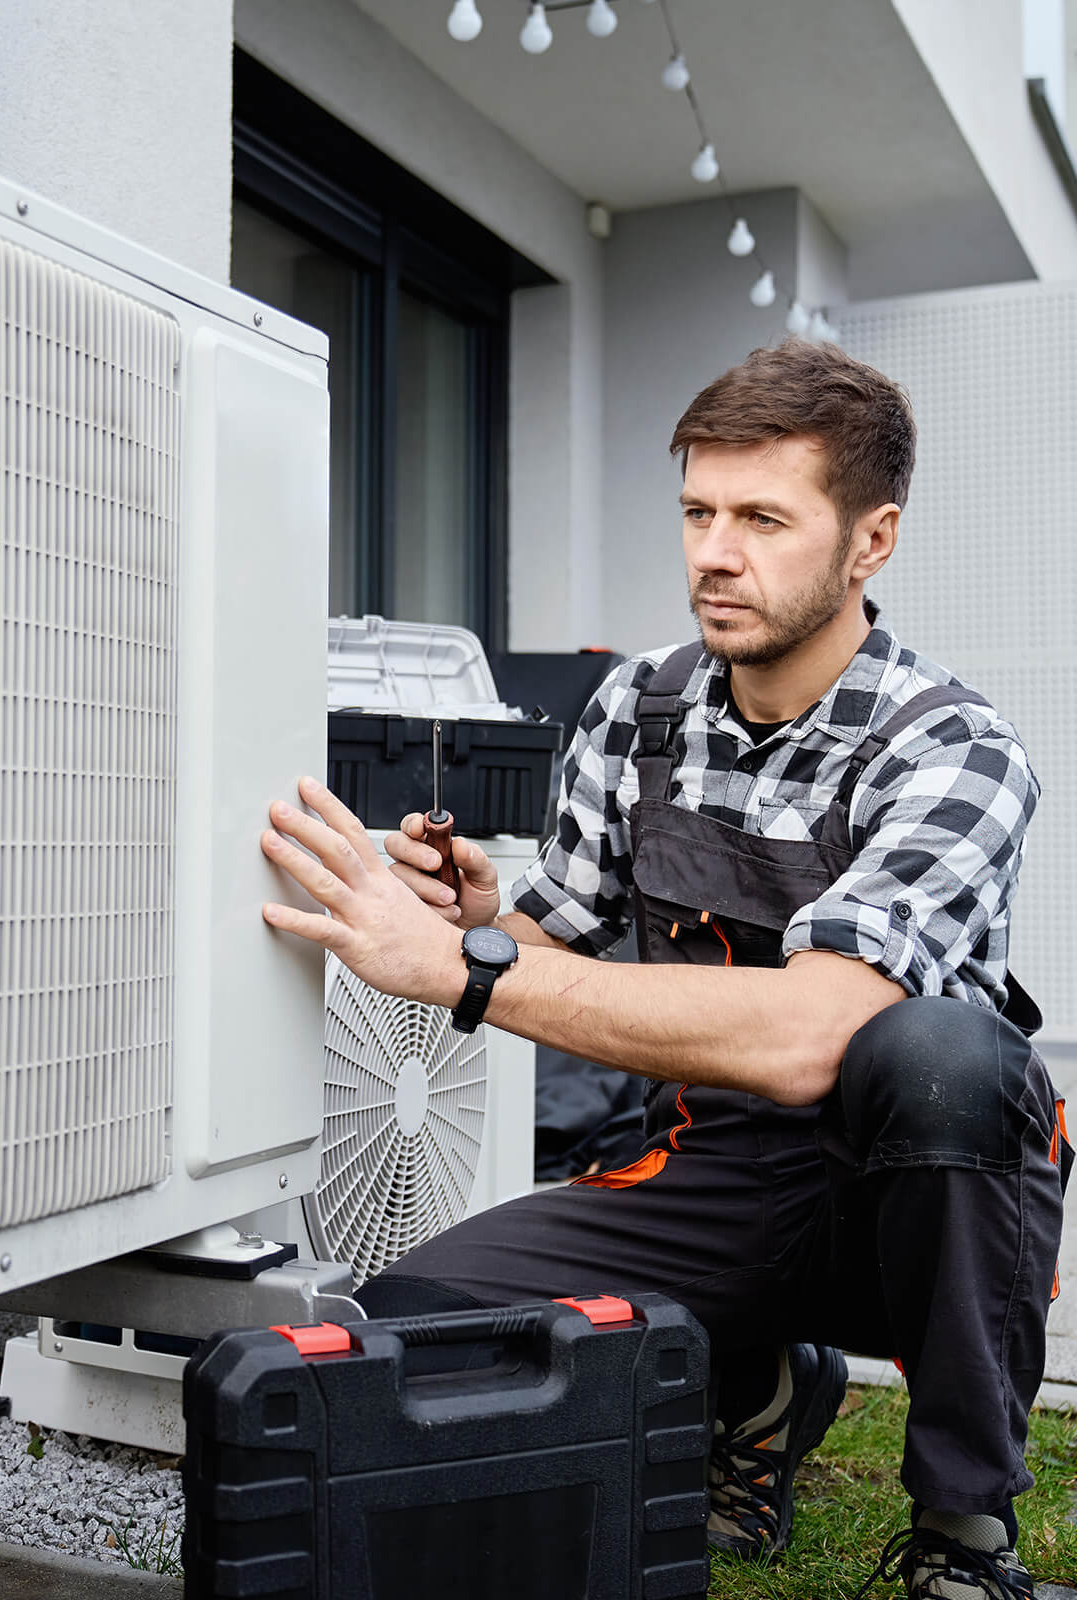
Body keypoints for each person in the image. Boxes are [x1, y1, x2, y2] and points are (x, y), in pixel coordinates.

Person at [260, 340, 1069, 1598]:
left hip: (912, 1199)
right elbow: (556, 934)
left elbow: (817, 1035)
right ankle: (751, 1386)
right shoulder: (638, 706)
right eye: (698, 511)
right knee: (408, 1329)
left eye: (761, 518)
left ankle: (963, 1529)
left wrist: (465, 978)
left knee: (943, 1055)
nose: (713, 552)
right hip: (714, 1172)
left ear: (871, 540)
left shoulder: (954, 748)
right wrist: (482, 922)